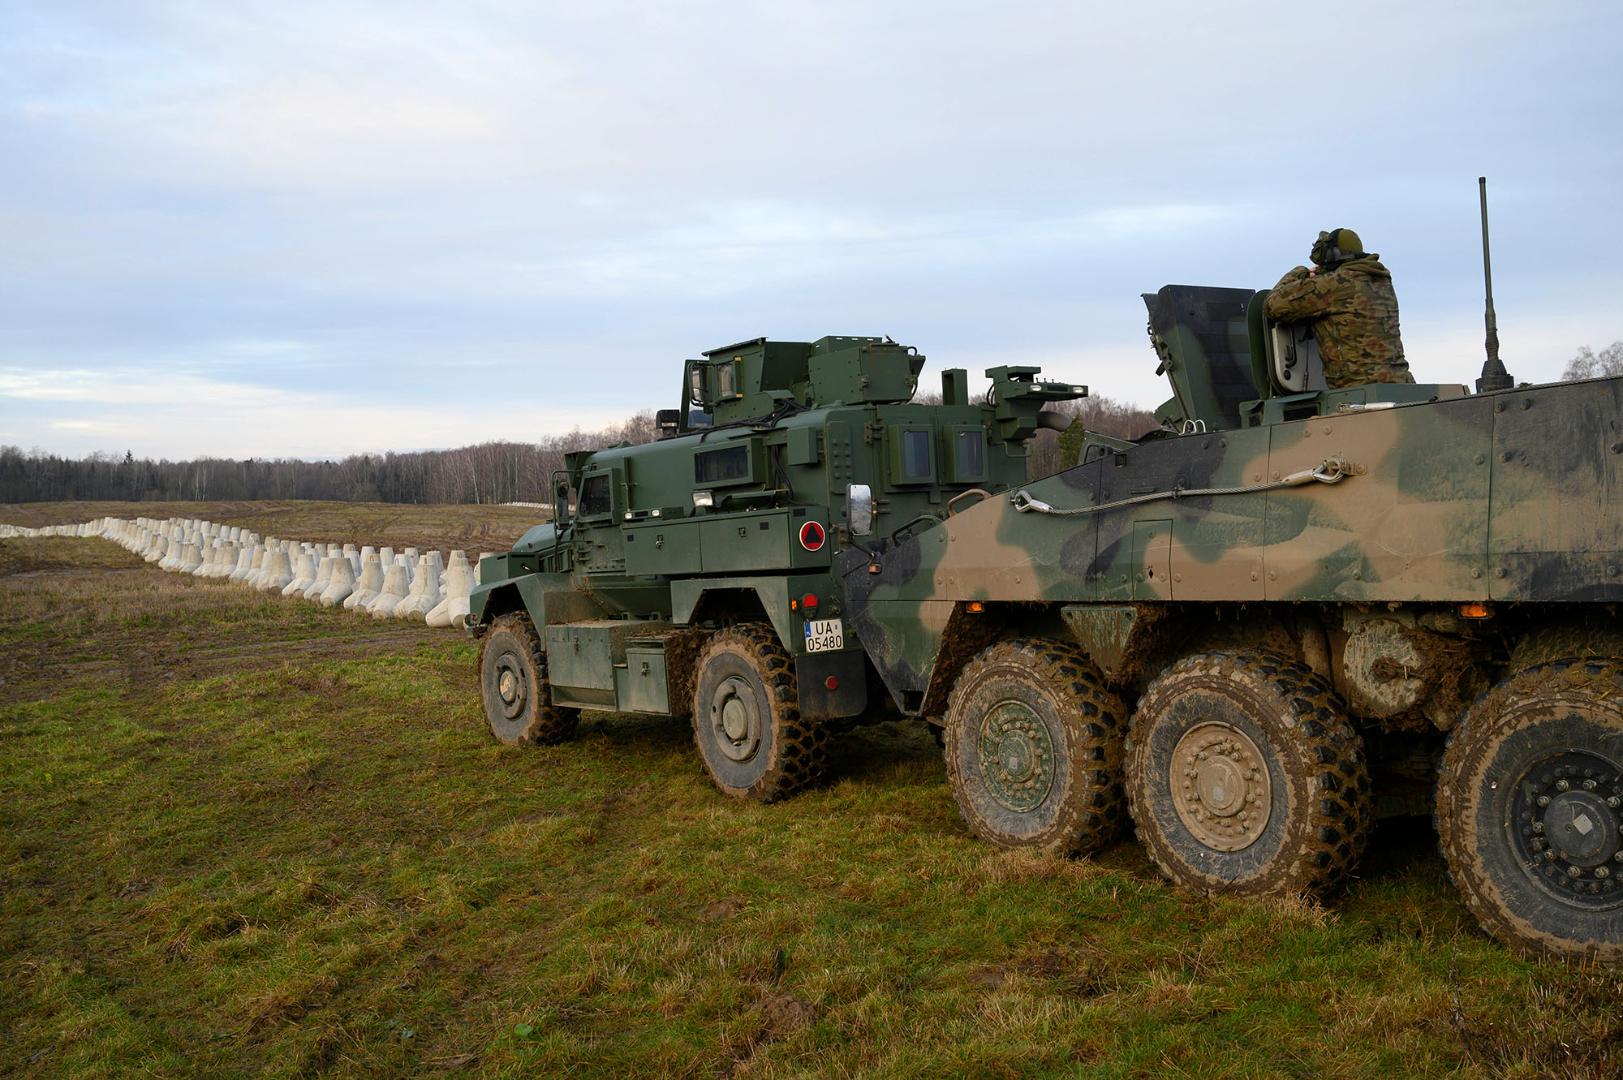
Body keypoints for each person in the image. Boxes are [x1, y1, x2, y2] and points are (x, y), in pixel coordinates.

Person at [1263, 227, 1413, 387]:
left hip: (1358, 391)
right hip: (1402, 385)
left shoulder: (1335, 284)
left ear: (1332, 255)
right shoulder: (1381, 282)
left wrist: (1300, 273)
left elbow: (1273, 305)